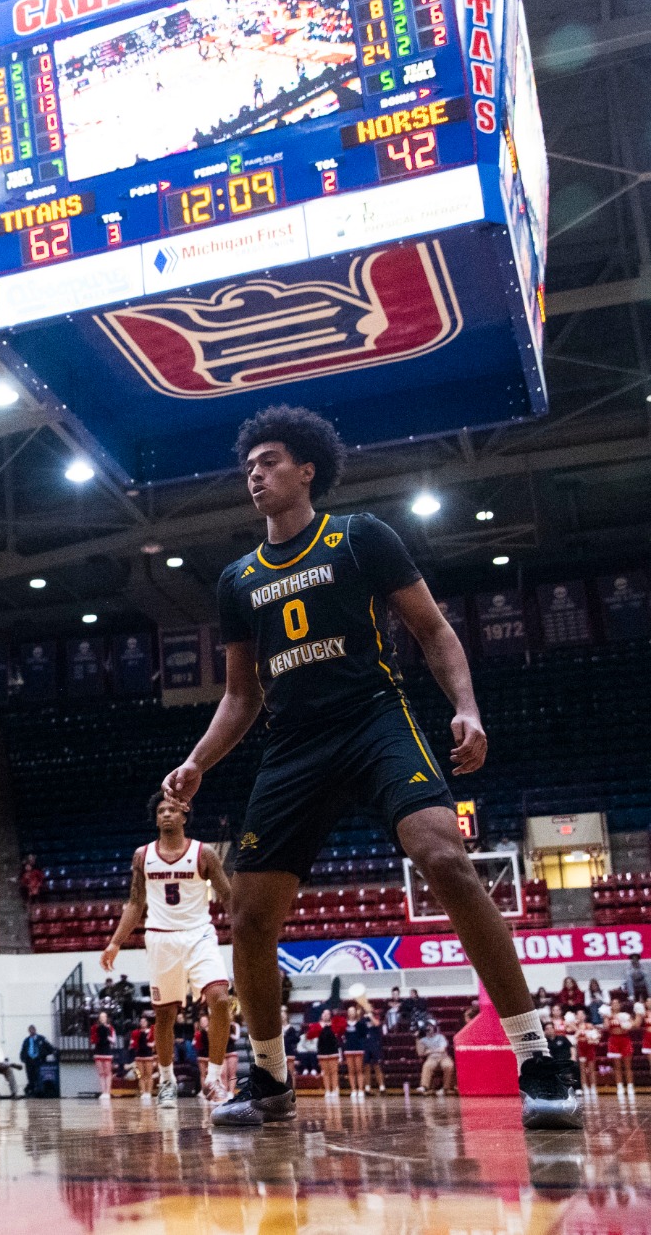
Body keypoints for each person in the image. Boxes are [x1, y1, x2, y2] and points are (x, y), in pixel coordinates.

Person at [161, 406, 580, 1132]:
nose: (254, 473)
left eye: (268, 460)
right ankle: (268, 1077)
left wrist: (468, 707)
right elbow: (240, 693)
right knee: (249, 915)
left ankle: (538, 1056)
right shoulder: (237, 578)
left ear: (307, 468)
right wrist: (198, 761)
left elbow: (432, 629)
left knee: (443, 855)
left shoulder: (359, 537)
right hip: (293, 745)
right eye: (248, 465)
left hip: (372, 721)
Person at [101, 791, 234, 1109]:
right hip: (161, 938)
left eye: (172, 809)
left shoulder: (205, 854)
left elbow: (227, 895)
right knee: (164, 1016)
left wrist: (245, 930)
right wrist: (115, 941)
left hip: (199, 935)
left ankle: (213, 1079)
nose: (166, 814)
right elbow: (135, 903)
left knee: (221, 1000)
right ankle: (168, 1080)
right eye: (161, 810)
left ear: (185, 816)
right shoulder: (142, 856)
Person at [418, 1020, 454, 1093]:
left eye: (430, 1027)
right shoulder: (422, 1040)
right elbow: (421, 1053)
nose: (428, 1029)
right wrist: (417, 1039)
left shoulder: (440, 1037)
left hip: (443, 1057)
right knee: (427, 1066)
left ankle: (446, 1088)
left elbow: (442, 1049)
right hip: (432, 1058)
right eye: (427, 1027)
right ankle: (424, 1086)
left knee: (448, 1065)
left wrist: (430, 1051)